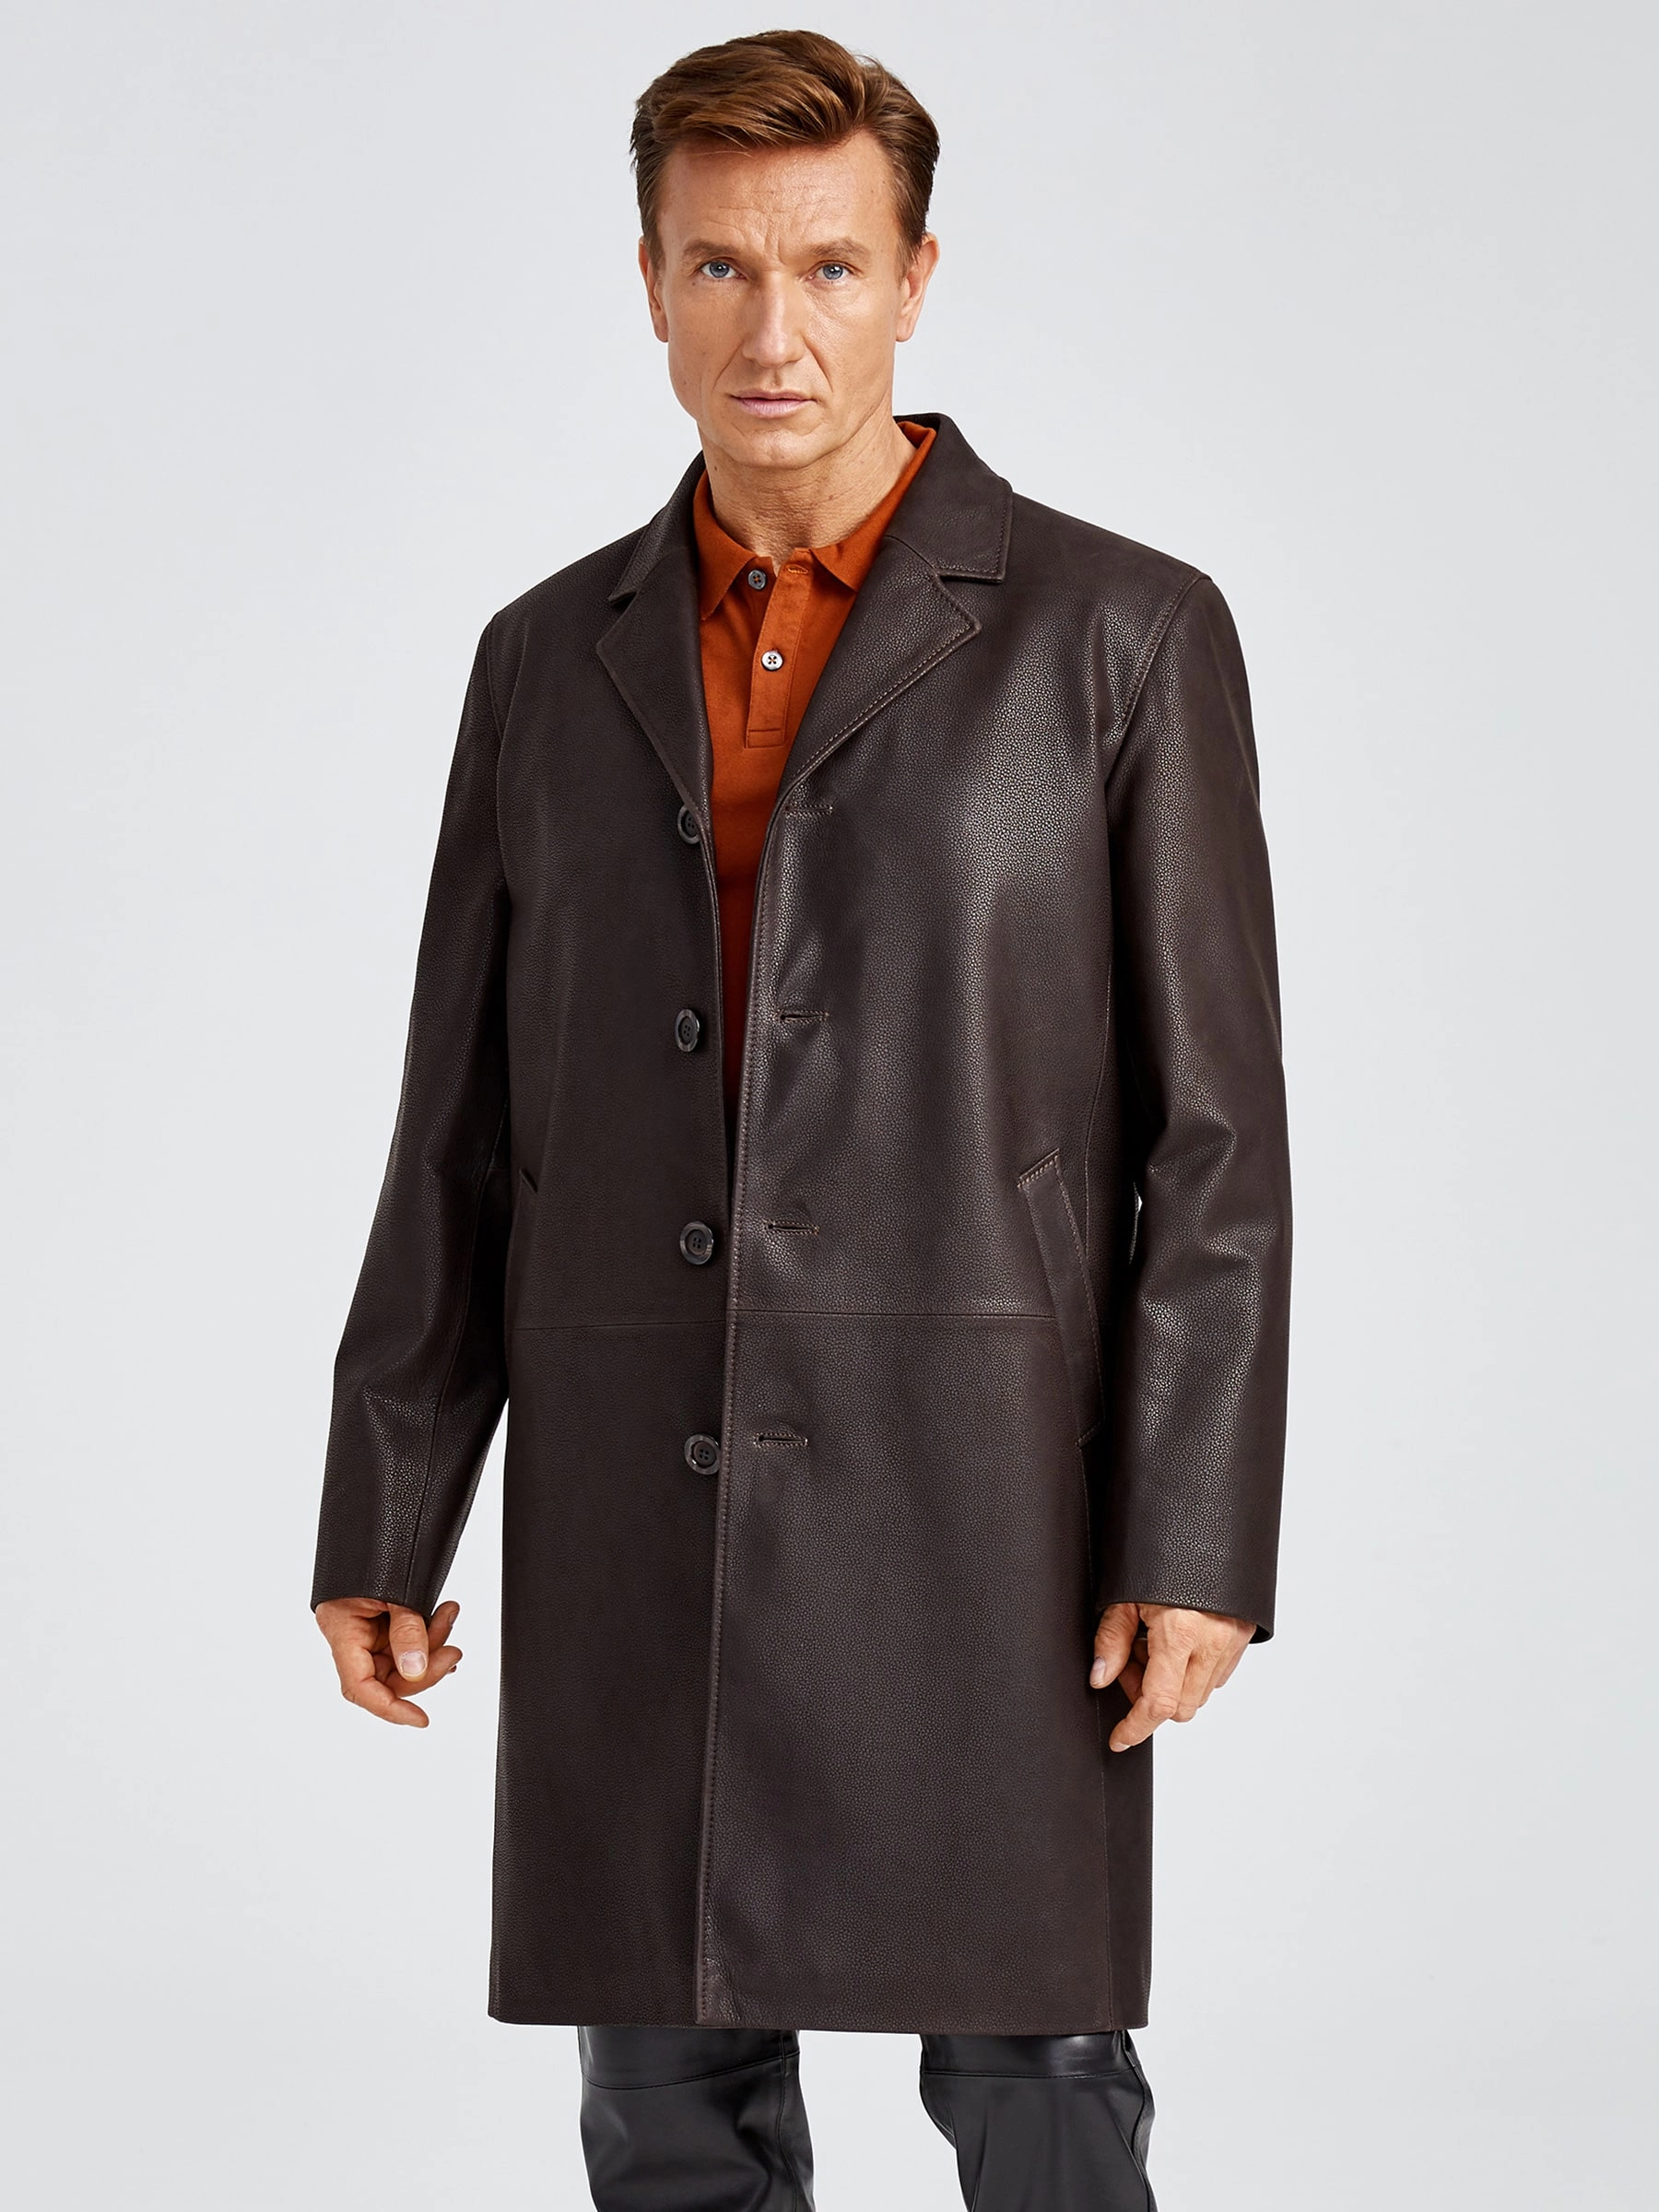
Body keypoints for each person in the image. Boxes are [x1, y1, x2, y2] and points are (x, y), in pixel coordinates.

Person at [311, 28, 1292, 2211]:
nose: (778, 331)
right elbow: (460, 1115)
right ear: (650, 285)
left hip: (987, 1494)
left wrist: (1197, 1528)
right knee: (660, 2090)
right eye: (724, 268)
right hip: (635, 1471)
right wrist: (390, 1500)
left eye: (832, 267)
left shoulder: (1120, 635)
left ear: (917, 279)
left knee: (1038, 2074)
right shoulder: (543, 658)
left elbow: (1217, 1137)